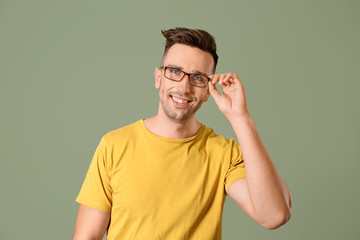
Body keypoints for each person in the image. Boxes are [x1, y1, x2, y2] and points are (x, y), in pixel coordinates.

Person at [73, 27, 292, 240]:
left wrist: (240, 117)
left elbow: (274, 215)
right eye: (175, 72)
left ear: (208, 91)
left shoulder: (224, 154)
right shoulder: (114, 145)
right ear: (158, 77)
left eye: (198, 78)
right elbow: (87, 235)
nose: (184, 87)